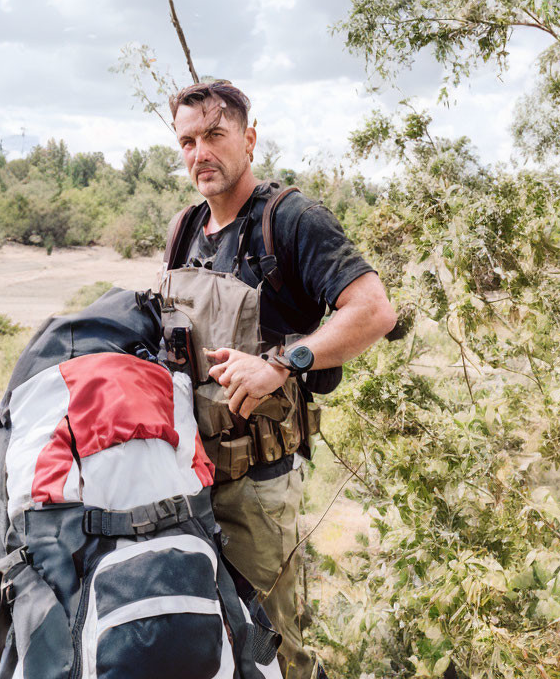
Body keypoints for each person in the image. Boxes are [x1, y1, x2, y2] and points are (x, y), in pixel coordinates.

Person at [161, 80, 397, 679]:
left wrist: (279, 364)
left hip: (258, 488)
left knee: (272, 646)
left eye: (214, 135)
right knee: (195, 637)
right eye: (187, 141)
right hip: (185, 477)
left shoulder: (290, 219)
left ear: (249, 139)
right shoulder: (185, 229)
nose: (200, 154)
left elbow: (373, 310)